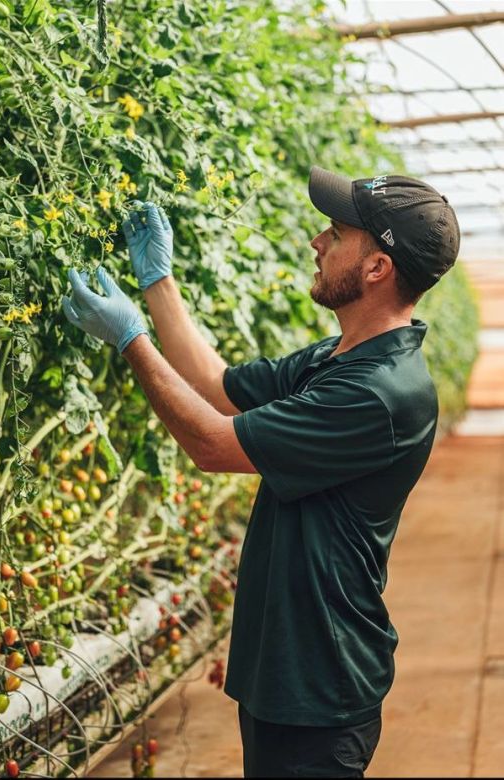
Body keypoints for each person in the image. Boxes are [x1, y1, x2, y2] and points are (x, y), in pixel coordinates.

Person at [62, 166, 460, 778]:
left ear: (377, 267)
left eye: (335, 232)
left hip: (320, 685)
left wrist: (131, 340)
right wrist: (158, 282)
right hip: (289, 673)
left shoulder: (380, 393)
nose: (316, 242)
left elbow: (214, 444)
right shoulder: (341, 356)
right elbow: (219, 389)